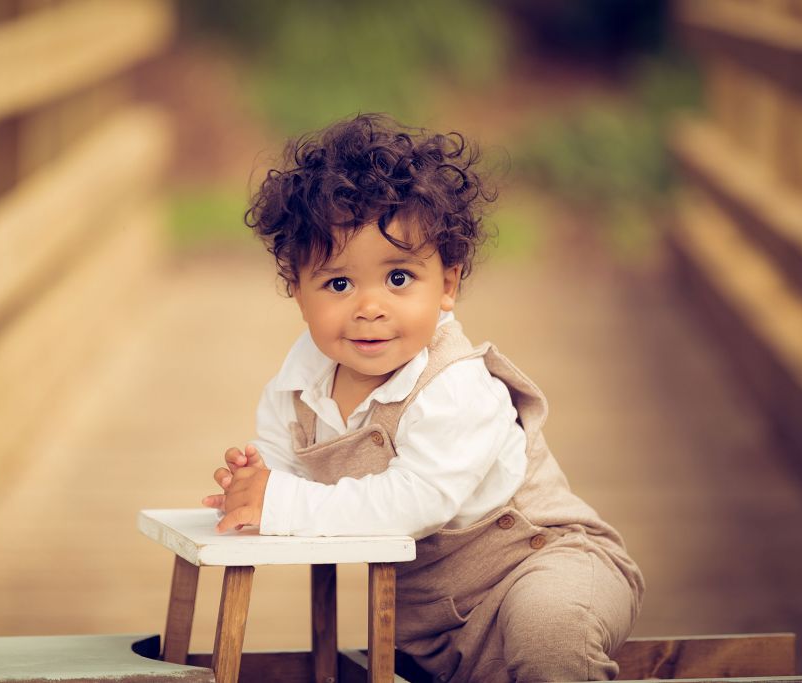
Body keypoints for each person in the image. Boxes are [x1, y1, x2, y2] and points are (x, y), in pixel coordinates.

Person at [201, 113, 644, 682]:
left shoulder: (454, 386)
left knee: (548, 635)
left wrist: (280, 503)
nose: (369, 307)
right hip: (427, 616)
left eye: (399, 279)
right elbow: (287, 477)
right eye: (338, 283)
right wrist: (253, 486)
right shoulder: (296, 389)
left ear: (449, 285)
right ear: (296, 289)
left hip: (543, 565)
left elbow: (416, 501)